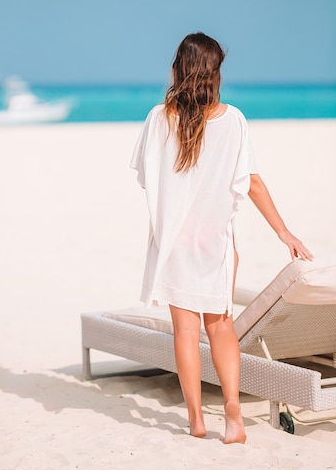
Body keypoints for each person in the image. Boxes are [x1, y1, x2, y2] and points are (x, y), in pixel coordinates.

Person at [130, 32, 313, 444]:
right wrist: (284, 232)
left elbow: (148, 182)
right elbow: (251, 183)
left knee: (184, 333)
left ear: (179, 67)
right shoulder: (233, 120)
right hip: (217, 244)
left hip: (174, 243)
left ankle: (195, 419)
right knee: (222, 326)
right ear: (214, 73)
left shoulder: (158, 117)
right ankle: (232, 410)